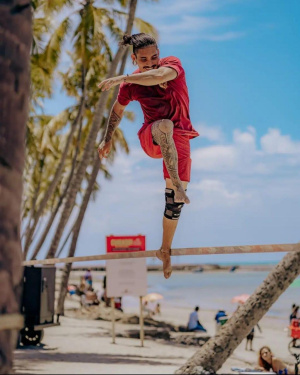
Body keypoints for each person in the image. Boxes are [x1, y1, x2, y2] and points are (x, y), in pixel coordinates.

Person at [97, 33, 199, 279]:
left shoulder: (171, 64)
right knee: (164, 124)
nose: (152, 63)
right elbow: (117, 110)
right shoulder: (131, 85)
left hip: (180, 138)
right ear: (134, 59)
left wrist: (122, 76)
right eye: (144, 60)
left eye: (155, 57)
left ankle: (165, 250)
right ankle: (175, 180)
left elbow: (159, 75)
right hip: (152, 137)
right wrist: (108, 137)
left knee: (174, 204)